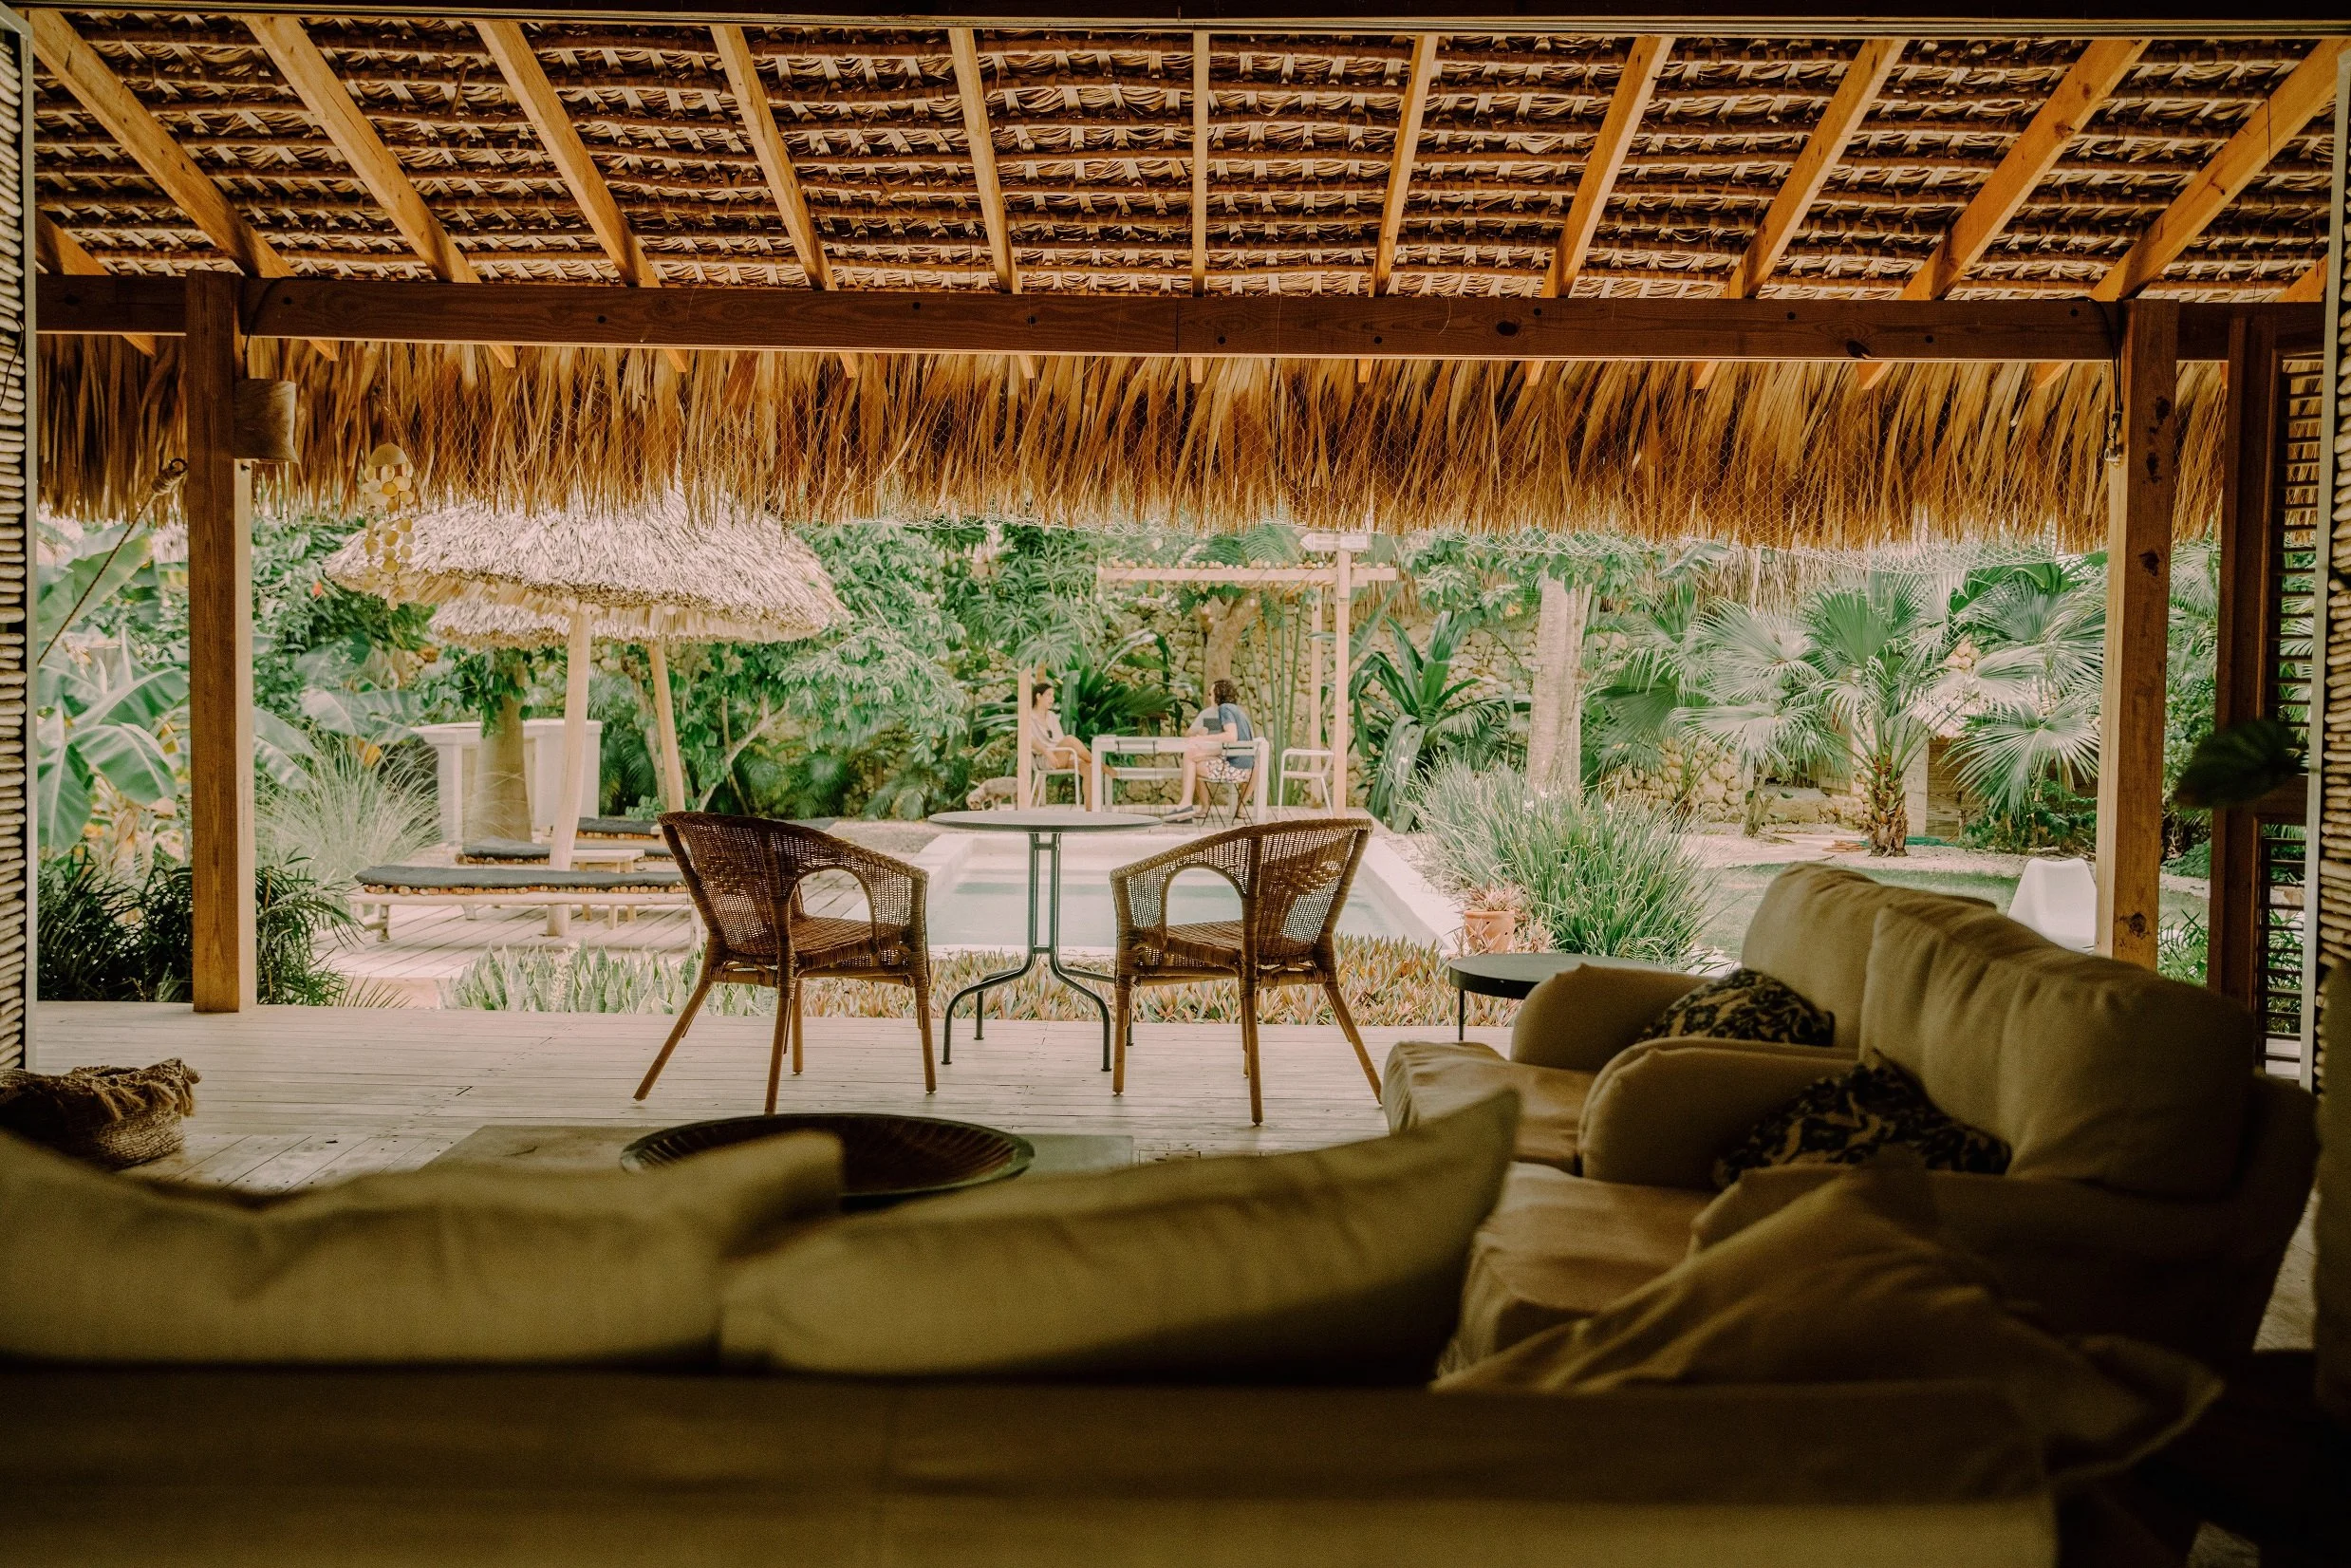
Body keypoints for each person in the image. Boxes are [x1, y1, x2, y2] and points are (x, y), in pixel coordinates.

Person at [1169, 679, 1254, 820]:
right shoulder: (1238, 711)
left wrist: (1201, 739)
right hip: (1245, 769)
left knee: (1190, 756)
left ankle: (1186, 804)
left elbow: (1231, 737)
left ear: (1218, 694)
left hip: (1232, 770)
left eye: (1211, 693)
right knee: (1193, 756)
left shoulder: (1224, 709)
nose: (1209, 697)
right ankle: (1189, 804)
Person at [1027, 678, 1092, 808]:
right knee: (1070, 739)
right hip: (1045, 759)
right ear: (1038, 696)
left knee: (1089, 769)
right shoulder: (1029, 717)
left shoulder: (1051, 716)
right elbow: (1030, 740)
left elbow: (1060, 742)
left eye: (1053, 696)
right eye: (1049, 695)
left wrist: (1074, 757)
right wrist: (1046, 752)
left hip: (1061, 756)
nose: (1052, 699)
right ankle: (1097, 762)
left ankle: (1091, 814)